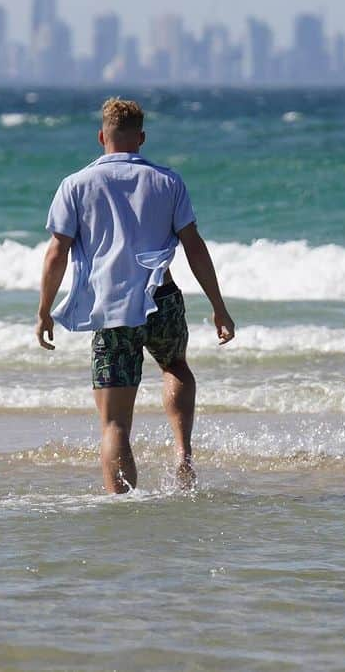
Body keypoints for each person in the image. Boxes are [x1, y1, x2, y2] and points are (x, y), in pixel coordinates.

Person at [35, 97, 235, 493]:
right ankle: (183, 452)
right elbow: (194, 246)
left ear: (100, 137)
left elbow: (57, 252)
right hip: (162, 296)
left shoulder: (75, 185)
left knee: (114, 424)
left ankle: (122, 504)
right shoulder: (168, 181)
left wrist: (44, 311)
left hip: (110, 310)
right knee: (175, 365)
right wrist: (219, 307)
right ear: (141, 138)